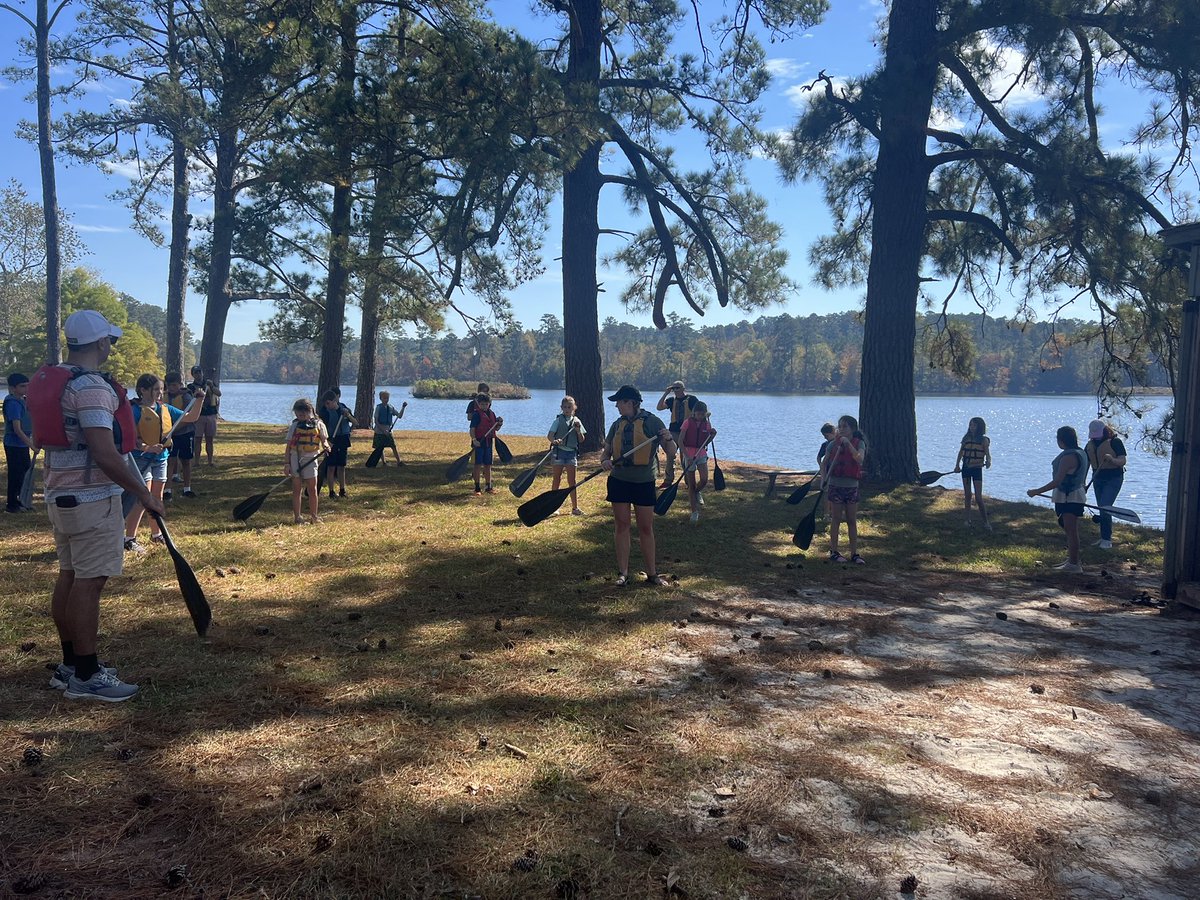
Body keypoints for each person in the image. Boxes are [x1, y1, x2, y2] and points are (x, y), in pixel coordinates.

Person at [28, 309, 163, 701]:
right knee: (90, 582)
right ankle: (86, 675)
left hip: (60, 495)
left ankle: (70, 665)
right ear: (101, 343)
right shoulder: (91, 388)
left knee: (70, 575)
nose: (111, 347)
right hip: (91, 500)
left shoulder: (59, 382)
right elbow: (105, 453)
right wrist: (143, 493)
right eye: (111, 341)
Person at [600, 385, 675, 586]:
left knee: (645, 527)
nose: (616, 406)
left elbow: (671, 450)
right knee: (622, 525)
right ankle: (623, 573)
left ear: (631, 403)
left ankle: (652, 574)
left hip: (643, 482)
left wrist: (668, 438)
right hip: (619, 481)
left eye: (620, 402)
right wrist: (604, 461)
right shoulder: (616, 425)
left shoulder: (652, 422)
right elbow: (605, 453)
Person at [123, 374, 204, 551]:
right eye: (156, 390)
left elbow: (191, 417)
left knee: (157, 497)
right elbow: (132, 439)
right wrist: (147, 448)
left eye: (161, 389)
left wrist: (199, 400)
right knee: (141, 498)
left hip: (160, 459)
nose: (160, 393)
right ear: (143, 390)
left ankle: (156, 534)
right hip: (141, 459)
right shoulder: (134, 410)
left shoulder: (165, 408)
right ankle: (129, 538)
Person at [1027, 425, 1088, 574]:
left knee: (1071, 530)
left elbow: (1058, 481)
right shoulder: (1081, 453)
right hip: (1073, 494)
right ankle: (1072, 559)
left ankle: (1074, 564)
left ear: (1061, 440)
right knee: (1068, 529)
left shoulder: (1068, 457)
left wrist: (1036, 491)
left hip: (1070, 496)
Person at [822, 415, 867, 564]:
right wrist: (824, 479)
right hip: (835, 485)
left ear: (852, 429)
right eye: (840, 426)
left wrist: (849, 445)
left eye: (845, 427)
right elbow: (824, 463)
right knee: (836, 519)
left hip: (851, 487)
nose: (841, 429)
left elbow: (859, 459)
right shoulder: (832, 444)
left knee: (851, 520)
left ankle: (854, 553)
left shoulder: (859, 443)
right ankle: (834, 551)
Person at [286, 398, 330, 525]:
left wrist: (326, 446)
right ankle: (297, 517)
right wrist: (287, 464)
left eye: (303, 414)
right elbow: (288, 447)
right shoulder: (295, 426)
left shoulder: (319, 424)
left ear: (310, 411)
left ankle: (314, 517)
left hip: (311, 458)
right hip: (296, 457)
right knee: (297, 488)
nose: (300, 417)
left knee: (312, 488)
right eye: (298, 415)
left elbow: (324, 440)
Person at [1086, 418, 1127, 550]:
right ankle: (1104, 536)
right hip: (1097, 478)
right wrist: (1082, 482)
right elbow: (1085, 464)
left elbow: (1122, 461)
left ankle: (1107, 540)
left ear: (1105, 431)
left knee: (1105, 507)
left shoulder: (1115, 442)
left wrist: (1112, 459)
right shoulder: (1089, 445)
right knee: (1102, 507)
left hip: (1113, 478)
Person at [547, 395, 586, 515]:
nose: (567, 409)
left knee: (572, 481)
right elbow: (550, 435)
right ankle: (553, 507)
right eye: (565, 407)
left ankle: (575, 508)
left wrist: (578, 431)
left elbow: (581, 439)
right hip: (559, 453)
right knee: (556, 479)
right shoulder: (558, 420)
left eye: (569, 407)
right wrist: (554, 441)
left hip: (571, 454)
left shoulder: (577, 422)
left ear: (574, 407)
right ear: (561, 408)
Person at [678, 400, 716, 523]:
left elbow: (706, 441)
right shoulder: (687, 422)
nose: (700, 416)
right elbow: (680, 441)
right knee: (691, 484)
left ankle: (696, 493)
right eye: (698, 414)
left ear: (705, 414)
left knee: (704, 480)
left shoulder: (707, 424)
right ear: (694, 413)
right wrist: (686, 456)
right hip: (689, 454)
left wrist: (712, 436)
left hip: (701, 454)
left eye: (702, 414)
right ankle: (694, 512)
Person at [655, 380, 697, 487]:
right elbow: (659, 407)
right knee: (670, 455)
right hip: (673, 432)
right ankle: (668, 480)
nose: (675, 390)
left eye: (677, 388)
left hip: (687, 432)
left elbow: (700, 413)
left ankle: (689, 481)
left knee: (686, 458)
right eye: (674, 388)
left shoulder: (691, 399)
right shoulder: (671, 400)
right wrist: (665, 393)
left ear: (683, 388)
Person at [953, 416, 992, 531]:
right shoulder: (966, 438)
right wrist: (957, 465)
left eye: (974, 425)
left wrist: (988, 461)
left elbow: (988, 454)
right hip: (966, 468)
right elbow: (961, 453)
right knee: (968, 495)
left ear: (980, 427)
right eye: (970, 425)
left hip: (976, 470)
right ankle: (967, 520)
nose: (972, 427)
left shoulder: (984, 440)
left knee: (978, 497)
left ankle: (986, 522)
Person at [163, 372, 197, 500]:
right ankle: (167, 490)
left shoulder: (186, 397)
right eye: (169, 385)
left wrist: (175, 428)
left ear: (179, 384)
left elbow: (189, 417)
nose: (172, 388)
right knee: (170, 460)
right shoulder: (164, 397)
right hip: (170, 435)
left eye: (174, 385)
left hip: (185, 433)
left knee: (186, 461)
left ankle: (187, 489)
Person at [319, 389, 357, 498]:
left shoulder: (343, 408)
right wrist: (326, 442)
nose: (326, 406)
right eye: (325, 404)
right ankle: (331, 492)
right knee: (331, 467)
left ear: (334, 401)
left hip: (343, 439)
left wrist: (348, 415)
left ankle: (342, 490)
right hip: (331, 440)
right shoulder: (324, 412)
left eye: (328, 403)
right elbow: (321, 429)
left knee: (341, 466)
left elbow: (356, 422)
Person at [5, 372, 33, 512]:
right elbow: (17, 429)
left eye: (28, 385)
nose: (26, 389)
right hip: (13, 444)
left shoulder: (24, 400)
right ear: (13, 388)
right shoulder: (13, 403)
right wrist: (31, 444)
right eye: (22, 386)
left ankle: (22, 501)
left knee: (25, 472)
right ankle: (12, 505)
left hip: (22, 444)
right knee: (15, 474)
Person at [187, 365, 222, 466]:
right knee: (197, 439)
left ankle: (210, 461)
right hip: (198, 416)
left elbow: (219, 393)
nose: (198, 374)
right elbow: (189, 400)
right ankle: (196, 462)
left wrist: (211, 386)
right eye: (196, 373)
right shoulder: (191, 387)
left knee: (209, 439)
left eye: (199, 372)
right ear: (193, 375)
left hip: (211, 415)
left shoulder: (209, 383)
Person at [469, 393, 503, 494]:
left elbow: (496, 428)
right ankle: (477, 488)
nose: (484, 406)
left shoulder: (492, 414)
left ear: (489, 404)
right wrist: (474, 440)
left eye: (486, 404)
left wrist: (500, 423)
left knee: (488, 465)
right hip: (479, 442)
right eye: (482, 404)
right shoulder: (476, 415)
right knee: (477, 465)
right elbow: (472, 429)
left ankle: (489, 487)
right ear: (478, 404)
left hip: (488, 442)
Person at [372, 391, 407, 466]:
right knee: (380, 447)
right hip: (379, 431)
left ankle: (399, 462)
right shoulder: (378, 408)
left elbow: (399, 416)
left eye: (387, 398)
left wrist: (403, 408)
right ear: (380, 398)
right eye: (384, 398)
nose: (386, 399)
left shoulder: (390, 407)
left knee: (393, 446)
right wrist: (383, 430)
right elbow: (376, 421)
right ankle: (384, 462)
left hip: (388, 430)